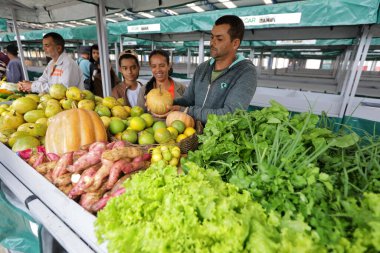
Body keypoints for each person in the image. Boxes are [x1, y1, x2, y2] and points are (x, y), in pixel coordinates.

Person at [173, 15, 257, 124]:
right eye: (212, 37)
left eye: (219, 39)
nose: (212, 43)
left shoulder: (245, 73)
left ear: (235, 43)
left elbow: (231, 114)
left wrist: (188, 111)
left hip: (218, 138)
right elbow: (188, 100)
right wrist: (167, 103)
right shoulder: (202, 68)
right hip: (191, 135)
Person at [18, 32, 83, 93]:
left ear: (58, 48)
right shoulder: (51, 63)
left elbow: (63, 90)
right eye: (43, 45)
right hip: (54, 102)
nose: (44, 48)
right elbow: (42, 80)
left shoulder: (68, 64)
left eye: (47, 45)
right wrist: (30, 84)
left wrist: (33, 86)